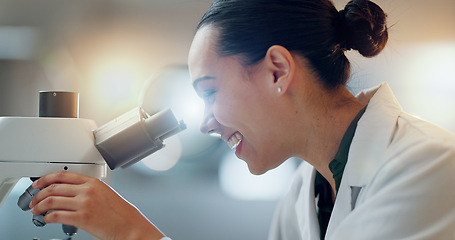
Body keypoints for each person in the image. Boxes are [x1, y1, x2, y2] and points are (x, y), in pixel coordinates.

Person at [28, 0, 455, 239]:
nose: (206, 124)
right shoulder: (304, 196)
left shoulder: (429, 166)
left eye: (211, 92)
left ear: (277, 71)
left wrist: (131, 232)